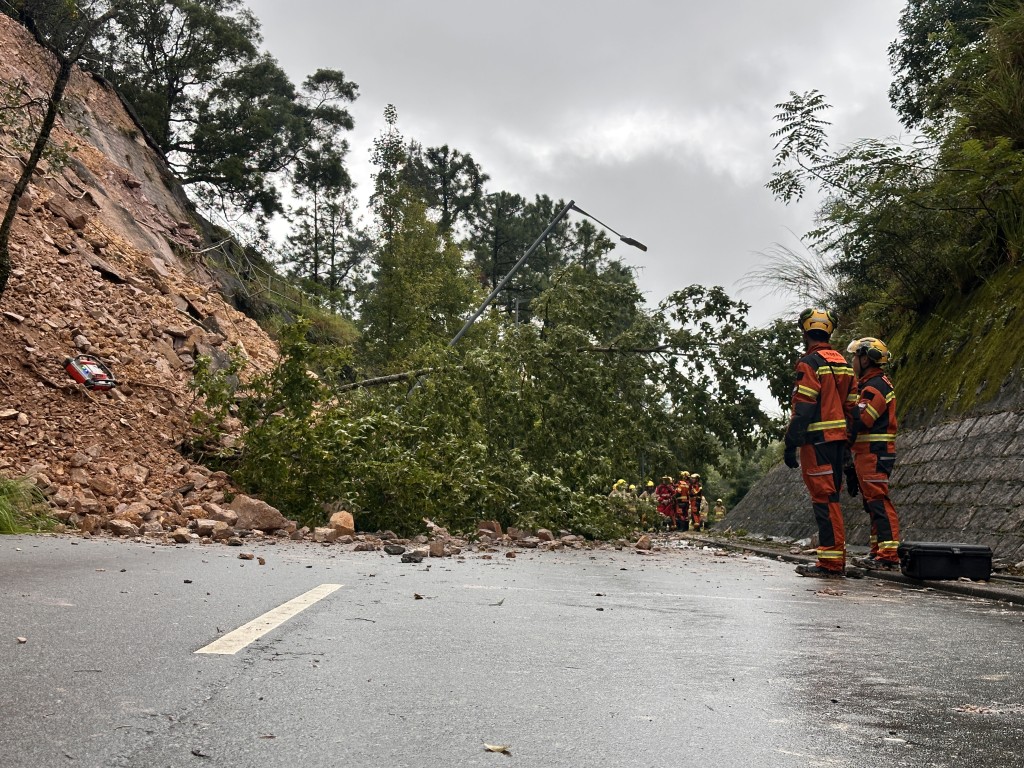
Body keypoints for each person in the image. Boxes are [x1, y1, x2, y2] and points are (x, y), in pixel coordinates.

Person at [783, 308, 858, 578]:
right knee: (831, 498)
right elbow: (852, 411)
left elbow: (803, 407)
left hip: (817, 442)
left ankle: (830, 563)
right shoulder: (844, 364)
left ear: (805, 331)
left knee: (824, 500)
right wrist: (848, 454)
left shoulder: (810, 363)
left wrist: (791, 442)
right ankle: (834, 559)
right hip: (838, 443)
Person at [845, 337, 901, 571]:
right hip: (867, 453)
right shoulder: (869, 384)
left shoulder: (875, 386)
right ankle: (878, 552)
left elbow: (864, 419)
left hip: (874, 452)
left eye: (855, 357)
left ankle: (888, 555)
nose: (852, 361)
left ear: (866, 358)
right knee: (872, 503)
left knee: (878, 501)